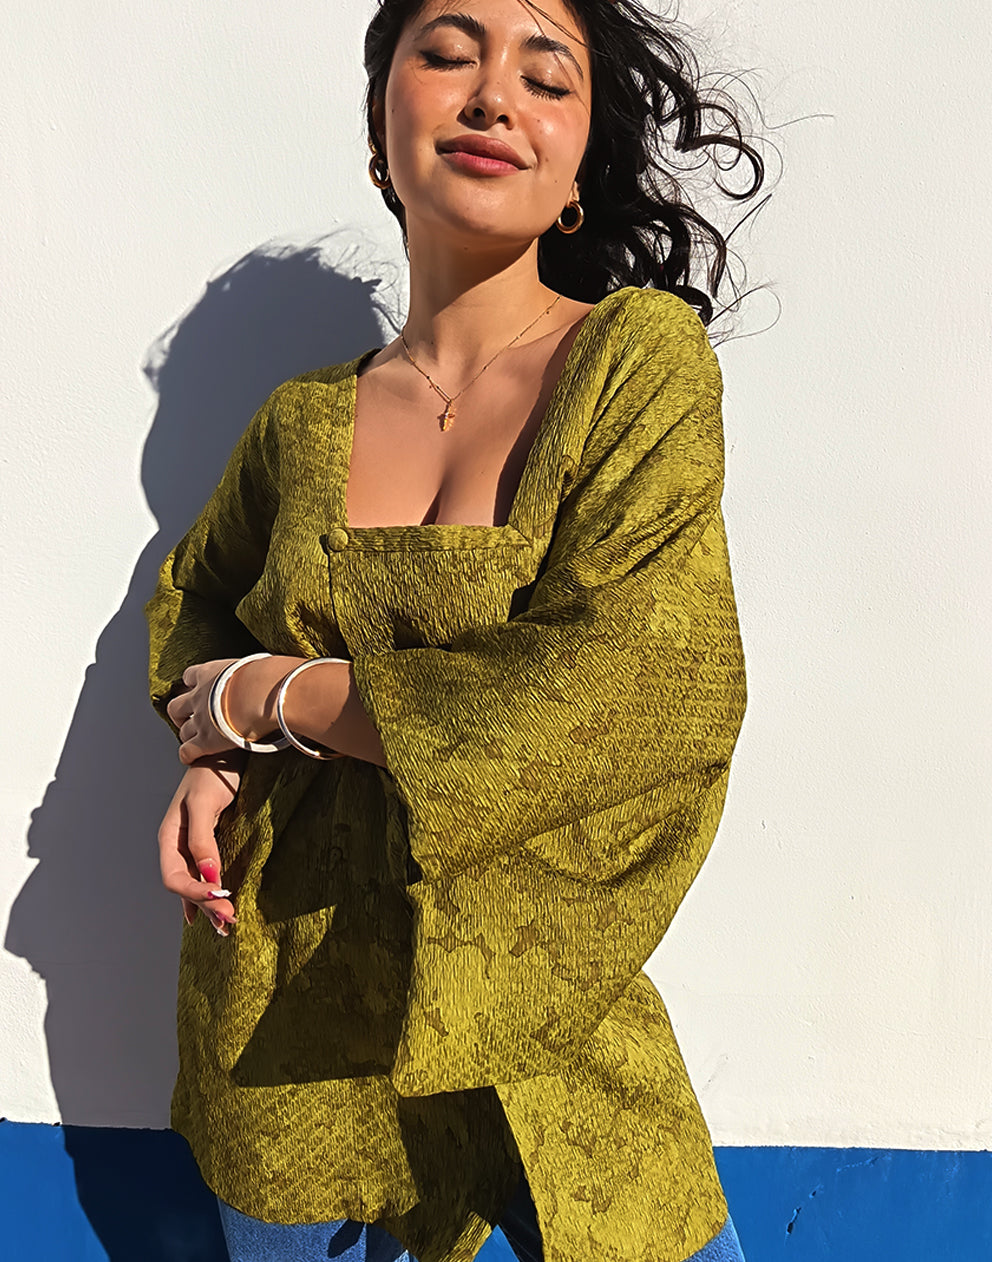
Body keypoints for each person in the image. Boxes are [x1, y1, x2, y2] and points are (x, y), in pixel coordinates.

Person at [144, 1, 765, 1259]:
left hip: (544, 1008)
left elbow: (633, 685)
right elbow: (193, 602)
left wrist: (274, 697)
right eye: (445, 54)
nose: (491, 98)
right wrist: (206, 739)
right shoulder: (301, 423)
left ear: (581, 159)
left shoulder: (633, 365)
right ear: (384, 126)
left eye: (546, 78)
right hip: (287, 1005)